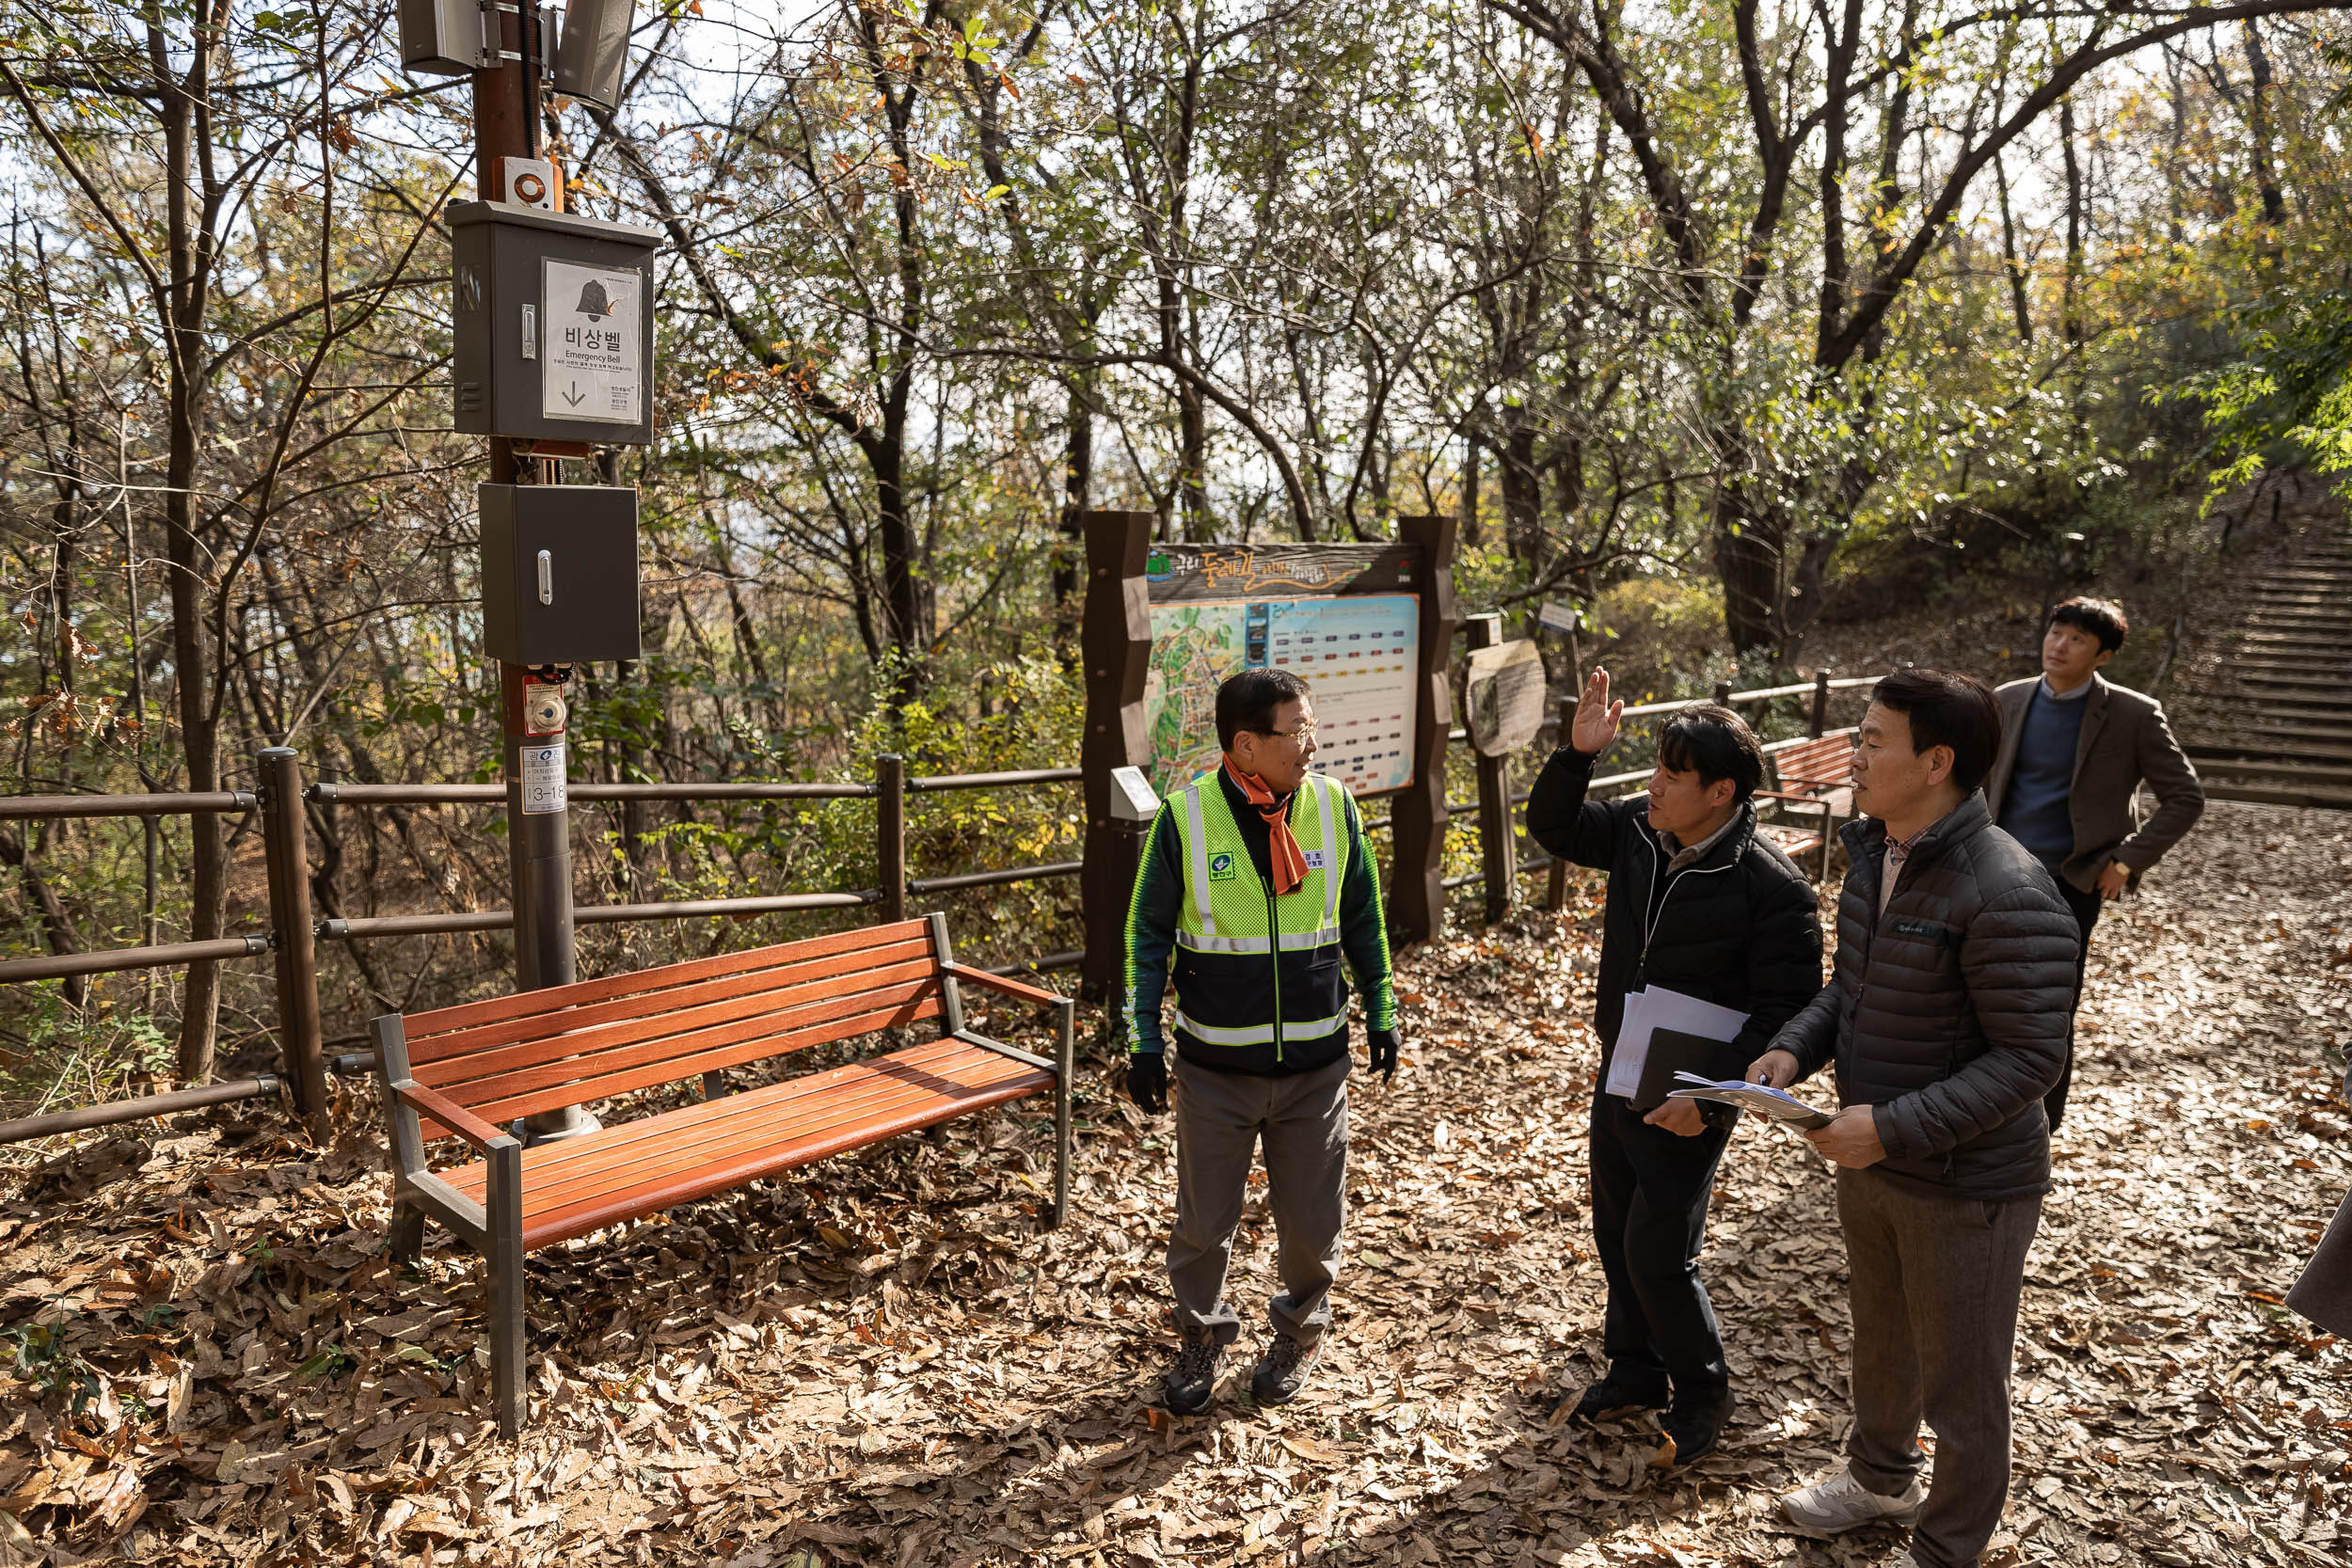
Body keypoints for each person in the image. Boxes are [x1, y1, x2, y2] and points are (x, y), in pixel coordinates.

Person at [1749, 669, 2076, 1568]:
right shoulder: (1876, 853)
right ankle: (1881, 1476)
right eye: (1859, 736)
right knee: (1882, 1337)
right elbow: (1851, 991)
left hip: (1967, 1181)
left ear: (1937, 762)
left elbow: (2028, 1061)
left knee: (1965, 1382)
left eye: (1872, 740)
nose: (1856, 754)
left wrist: (1889, 1127)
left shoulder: (2007, 886)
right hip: (1873, 1162)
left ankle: (1948, 1543)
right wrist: (1791, 1049)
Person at [1524, 673, 1822, 1466]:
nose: (1651, 786)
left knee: (1661, 1249)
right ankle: (1634, 1368)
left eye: (1671, 776)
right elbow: (1551, 824)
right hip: (1619, 1065)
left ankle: (1702, 1390)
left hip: (1690, 1094)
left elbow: (1786, 1014)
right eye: (1653, 769)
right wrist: (1576, 755)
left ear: (1720, 792)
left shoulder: (1773, 888)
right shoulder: (1635, 831)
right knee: (1616, 1230)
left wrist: (1711, 1099)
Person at [1122, 667, 1400, 1415]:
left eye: (1312, 726)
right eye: (1297, 730)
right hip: (1216, 1070)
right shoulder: (1185, 820)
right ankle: (1202, 1338)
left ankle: (1299, 1332)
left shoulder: (1336, 809)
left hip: (1316, 1066)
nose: (1312, 743)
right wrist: (1142, 1039)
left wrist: (1382, 1010)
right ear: (1246, 745)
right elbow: (1145, 936)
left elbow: (1365, 920)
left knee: (1313, 1225)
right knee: (1203, 1224)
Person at [1985, 596, 2203, 1130]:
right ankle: (1974, 1111)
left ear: (2102, 655)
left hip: (2072, 880)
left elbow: (2185, 797)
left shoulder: (2133, 715)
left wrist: (2126, 863)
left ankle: (2039, 1124)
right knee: (1976, 991)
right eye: (2056, 631)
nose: (2059, 644)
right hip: (1991, 873)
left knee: (2051, 1003)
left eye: (2077, 639)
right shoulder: (2006, 701)